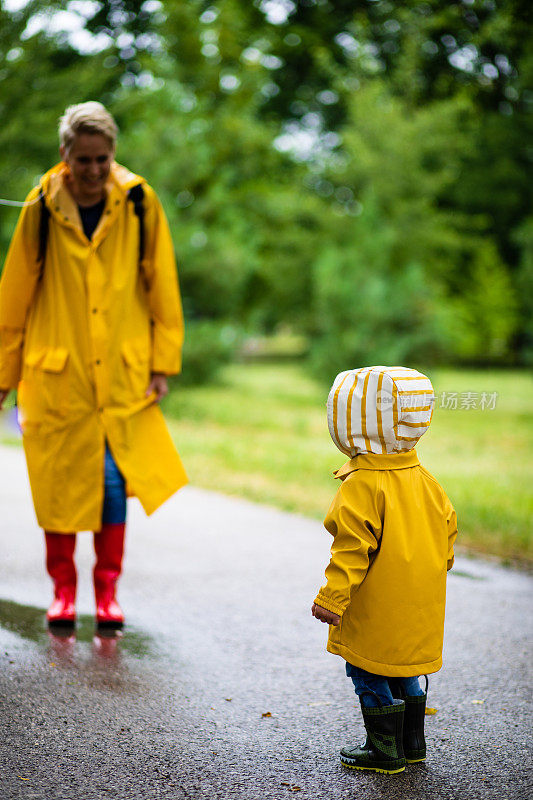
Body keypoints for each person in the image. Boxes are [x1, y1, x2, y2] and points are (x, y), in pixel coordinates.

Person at [0, 101, 187, 628]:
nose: (94, 171)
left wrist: (161, 363)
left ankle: (106, 592)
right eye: (83, 160)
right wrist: (3, 375)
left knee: (110, 483)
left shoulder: (138, 202)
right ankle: (63, 591)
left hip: (121, 372)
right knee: (58, 485)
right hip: (58, 373)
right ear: (64, 156)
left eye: (103, 159)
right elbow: (14, 297)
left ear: (113, 155)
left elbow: (163, 285)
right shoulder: (40, 204)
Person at [312, 366, 458, 775]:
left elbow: (351, 550)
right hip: (416, 606)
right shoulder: (426, 480)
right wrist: (435, 569)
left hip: (377, 607)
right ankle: (412, 744)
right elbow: (448, 529)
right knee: (403, 670)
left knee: (367, 669)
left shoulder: (361, 485)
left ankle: (383, 751)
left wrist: (332, 598)